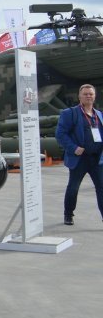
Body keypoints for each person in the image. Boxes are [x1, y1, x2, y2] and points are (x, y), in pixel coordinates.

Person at [55, 84, 103, 226]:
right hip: (79, 159)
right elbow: (60, 134)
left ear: (94, 96)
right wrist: (73, 148)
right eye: (85, 94)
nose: (88, 96)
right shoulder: (70, 113)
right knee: (73, 187)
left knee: (101, 188)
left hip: (97, 159)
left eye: (91, 94)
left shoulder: (99, 114)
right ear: (79, 97)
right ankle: (68, 214)